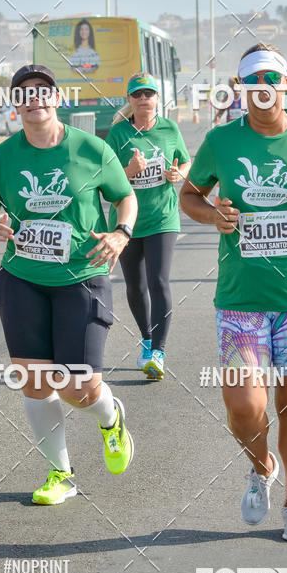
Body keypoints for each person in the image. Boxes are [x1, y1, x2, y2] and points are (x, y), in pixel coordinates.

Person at [180, 43, 287, 542]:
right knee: (243, 406)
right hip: (241, 298)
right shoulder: (220, 140)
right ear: (241, 89)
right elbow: (190, 194)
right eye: (252, 80)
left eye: (271, 79)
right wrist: (213, 215)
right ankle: (262, 467)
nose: (263, 88)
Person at [0, 64, 137, 505]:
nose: (34, 99)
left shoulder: (91, 148)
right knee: (35, 381)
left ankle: (110, 417)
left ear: (57, 99)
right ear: (15, 104)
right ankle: (60, 473)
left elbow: (125, 196)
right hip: (21, 278)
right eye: (24, 93)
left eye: (42, 91)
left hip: (81, 277)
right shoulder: (3, 157)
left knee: (77, 387)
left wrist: (122, 232)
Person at [105, 73, 191, 380]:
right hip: (127, 221)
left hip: (163, 218)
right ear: (129, 100)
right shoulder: (118, 134)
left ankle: (158, 352)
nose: (144, 99)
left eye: (149, 93)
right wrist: (129, 170)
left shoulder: (169, 128)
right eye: (138, 94)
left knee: (159, 281)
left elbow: (185, 161)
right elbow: (105, 180)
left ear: (157, 98)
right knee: (135, 286)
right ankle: (146, 337)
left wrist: (179, 173)